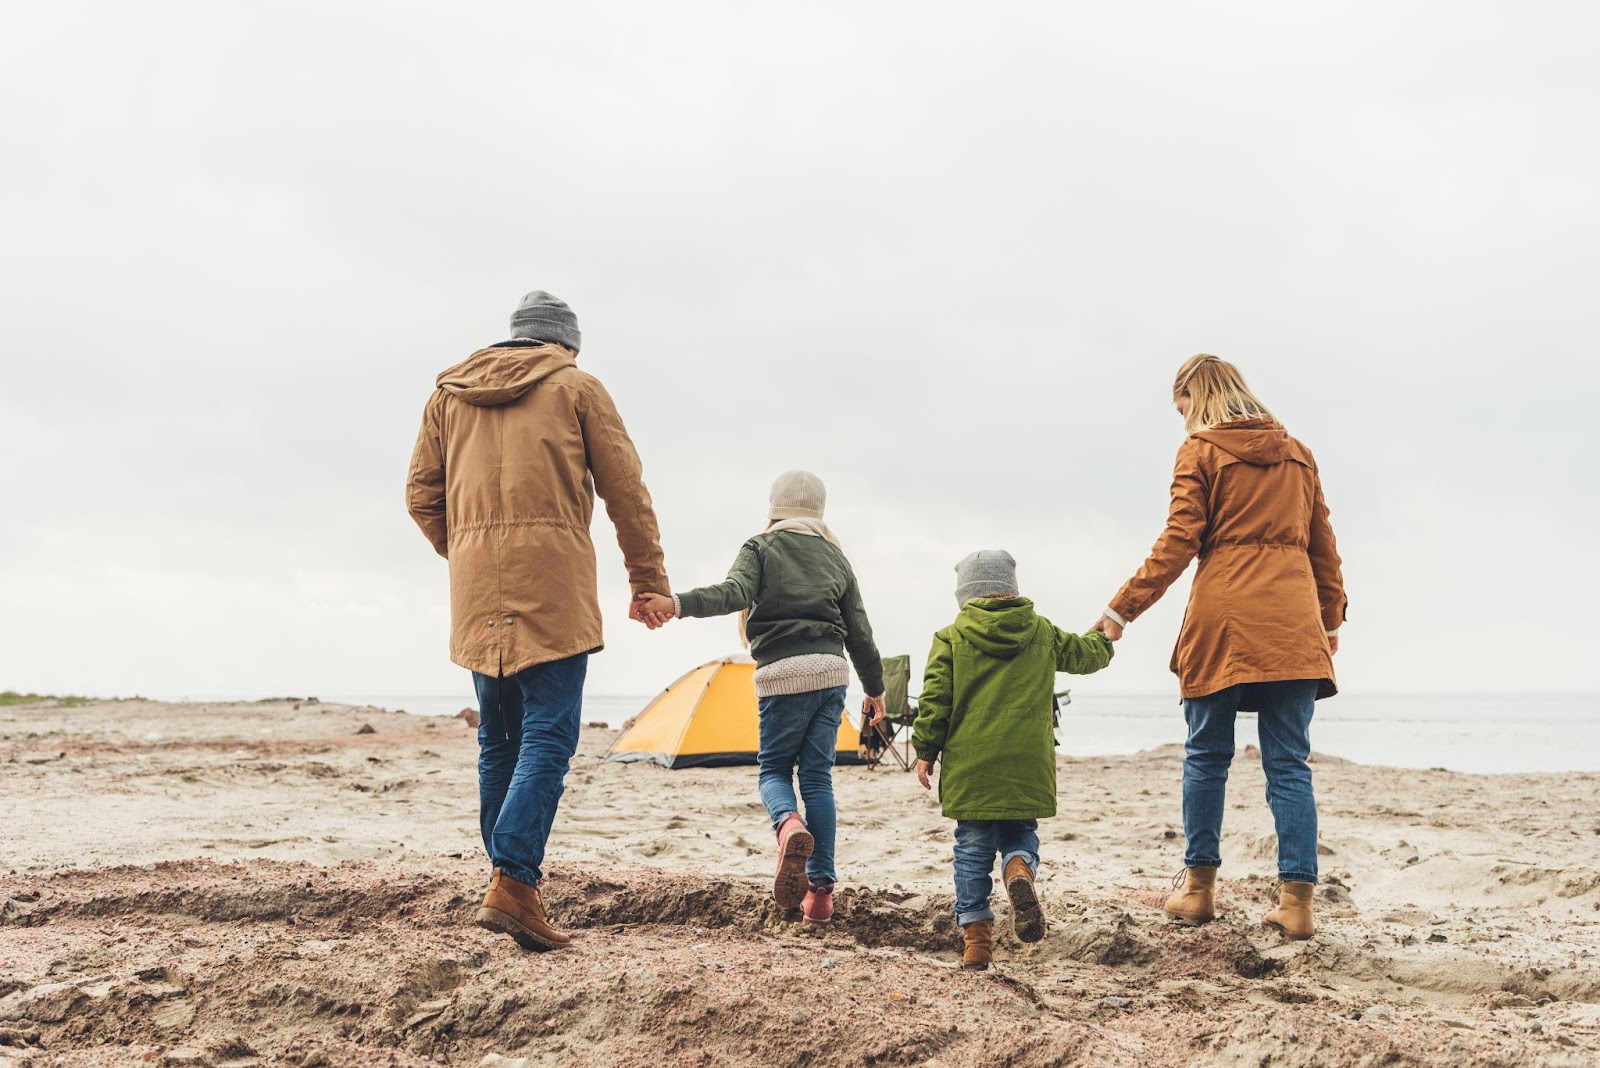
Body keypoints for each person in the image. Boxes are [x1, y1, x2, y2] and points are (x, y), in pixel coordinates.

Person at [406, 290, 670, 952]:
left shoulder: (448, 396)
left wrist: (466, 549)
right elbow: (627, 493)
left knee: (498, 739)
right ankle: (515, 884)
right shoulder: (578, 387)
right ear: (565, 346)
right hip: (552, 589)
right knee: (550, 737)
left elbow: (420, 495)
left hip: (475, 592)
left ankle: (508, 882)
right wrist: (649, 583)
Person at [1093, 353, 1346, 941]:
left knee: (1207, 757)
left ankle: (1199, 889)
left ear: (1194, 397)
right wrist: (1328, 618)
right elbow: (1323, 547)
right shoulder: (1298, 454)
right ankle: (1298, 903)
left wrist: (1120, 609)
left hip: (1224, 619)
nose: (1182, 421)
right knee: (1290, 764)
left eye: (1183, 408)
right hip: (1292, 623)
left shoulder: (1200, 451)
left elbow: (1180, 539)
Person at [635, 471, 885, 923]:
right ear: (818, 511)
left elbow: (733, 594)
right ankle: (821, 896)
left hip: (781, 676)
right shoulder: (837, 558)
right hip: (831, 674)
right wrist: (876, 690)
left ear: (775, 507)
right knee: (818, 779)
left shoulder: (761, 547)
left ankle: (788, 824)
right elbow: (861, 633)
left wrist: (674, 604)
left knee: (773, 770)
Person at [912, 550, 1115, 970]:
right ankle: (1019, 867)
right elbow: (1085, 656)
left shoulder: (950, 637)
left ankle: (976, 944)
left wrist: (926, 751)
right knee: (1021, 830)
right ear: (1012, 589)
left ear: (965, 595)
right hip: (1026, 764)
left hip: (972, 766)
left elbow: (935, 700)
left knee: (971, 849)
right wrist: (1105, 636)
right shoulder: (1040, 631)